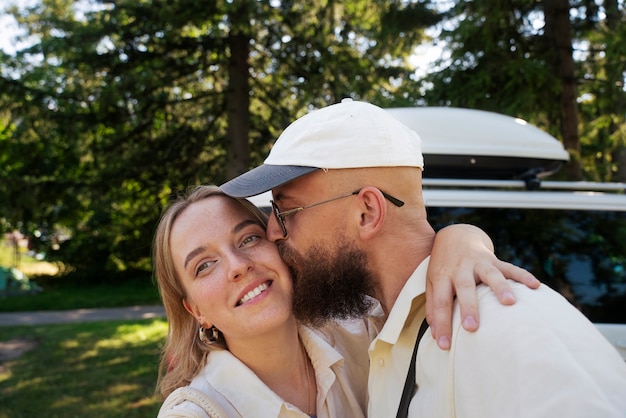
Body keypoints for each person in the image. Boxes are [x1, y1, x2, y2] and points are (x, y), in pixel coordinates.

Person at [220, 99, 626, 417]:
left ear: (367, 213)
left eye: (285, 210)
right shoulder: (377, 331)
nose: (272, 232)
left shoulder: (503, 325)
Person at [154, 185, 537, 418]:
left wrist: (462, 239)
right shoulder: (198, 412)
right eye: (205, 265)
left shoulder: (362, 333)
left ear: (279, 245)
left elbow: (415, 267)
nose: (238, 266)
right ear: (195, 310)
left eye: (249, 238)